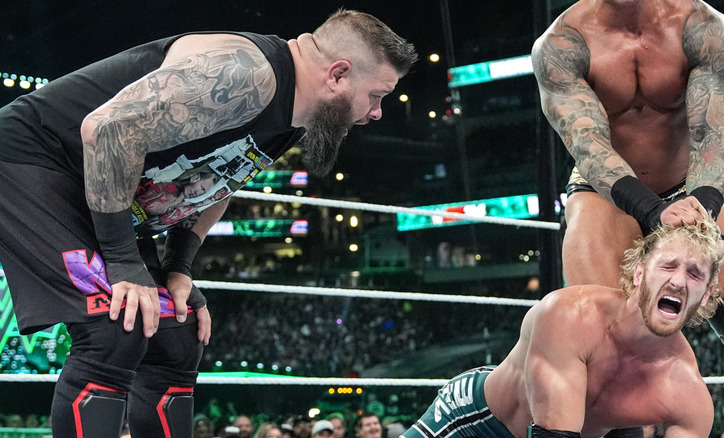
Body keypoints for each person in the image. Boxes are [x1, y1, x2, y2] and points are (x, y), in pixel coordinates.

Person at [0, 9, 416, 438]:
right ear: (338, 74)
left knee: (175, 336)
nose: (378, 112)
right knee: (116, 324)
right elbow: (106, 128)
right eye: (377, 95)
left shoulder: (295, 115)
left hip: (104, 194)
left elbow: (219, 179)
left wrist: (177, 266)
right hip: (33, 162)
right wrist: (125, 263)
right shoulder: (246, 74)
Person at [530, 0, 724, 435]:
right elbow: (588, 146)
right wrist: (651, 210)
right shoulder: (562, 44)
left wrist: (699, 207)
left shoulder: (702, 28)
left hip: (689, 187)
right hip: (605, 195)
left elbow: (712, 136)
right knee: (606, 348)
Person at [402, 217, 724, 437]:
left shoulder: (688, 397)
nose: (679, 281)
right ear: (639, 273)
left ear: (707, 293)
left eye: (695, 274)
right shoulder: (570, 315)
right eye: (668, 266)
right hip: (478, 422)